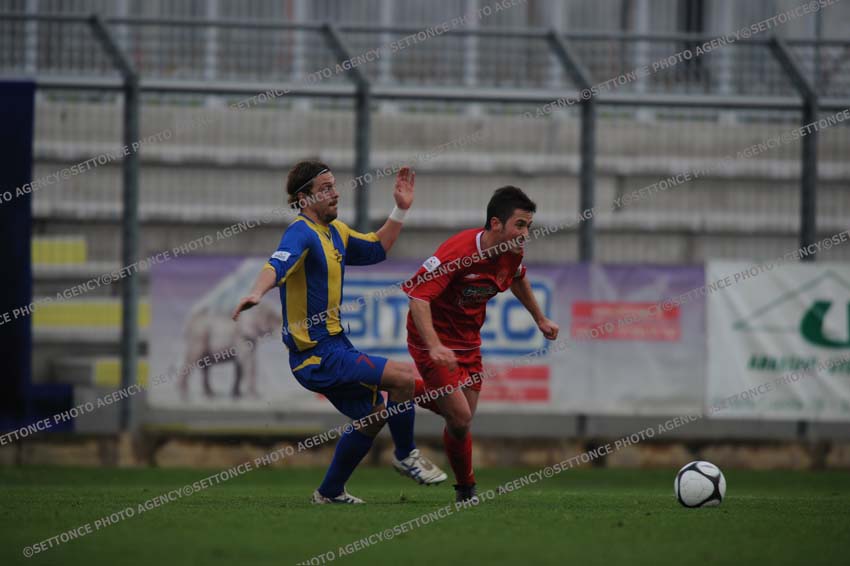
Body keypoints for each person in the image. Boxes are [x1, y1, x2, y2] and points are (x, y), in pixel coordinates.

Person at [233, 161, 446, 504]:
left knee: (373, 416)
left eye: (334, 186)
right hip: (315, 355)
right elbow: (276, 264)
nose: (335, 193)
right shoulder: (301, 232)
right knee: (403, 378)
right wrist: (257, 292)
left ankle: (329, 492)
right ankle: (406, 455)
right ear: (304, 198)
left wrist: (401, 209)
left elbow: (377, 249)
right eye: (326, 188)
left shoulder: (337, 232)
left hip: (336, 347)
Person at [404, 186, 559, 502]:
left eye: (529, 226)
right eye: (520, 225)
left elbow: (518, 277)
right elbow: (418, 298)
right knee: (460, 416)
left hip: (469, 343)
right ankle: (467, 489)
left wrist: (540, 319)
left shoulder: (511, 251)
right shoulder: (457, 253)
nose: (525, 234)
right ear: (496, 223)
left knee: (461, 422)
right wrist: (434, 346)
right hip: (432, 340)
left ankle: (400, 389)